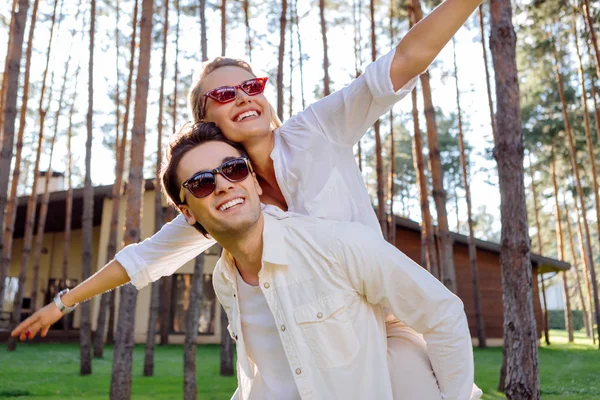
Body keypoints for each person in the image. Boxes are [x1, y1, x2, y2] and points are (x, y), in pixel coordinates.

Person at [12, 1, 484, 398]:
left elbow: (405, 59)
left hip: (388, 319)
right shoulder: (219, 194)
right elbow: (142, 259)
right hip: (309, 337)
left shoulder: (319, 128)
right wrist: (62, 304)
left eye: (252, 85)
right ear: (206, 118)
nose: (243, 95)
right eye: (224, 92)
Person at [164, 122, 476, 399]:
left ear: (255, 183)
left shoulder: (337, 244)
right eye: (202, 183)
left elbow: (441, 313)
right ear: (188, 212)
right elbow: (272, 373)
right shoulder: (224, 279)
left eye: (234, 168)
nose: (223, 184)